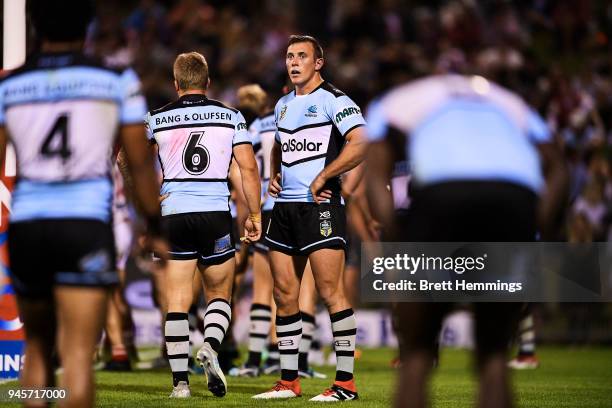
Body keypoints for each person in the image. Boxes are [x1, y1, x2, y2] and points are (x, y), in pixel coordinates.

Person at [365, 74, 568, 408]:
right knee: (493, 355)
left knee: (416, 352)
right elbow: (559, 168)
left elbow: (375, 174)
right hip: (513, 196)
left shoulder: (396, 99)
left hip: (442, 192)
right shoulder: (507, 99)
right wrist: (540, 234)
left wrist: (399, 242)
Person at [0, 1, 166, 407]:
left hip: (29, 223)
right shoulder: (115, 80)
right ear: (87, 27)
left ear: (34, 26)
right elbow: (141, 169)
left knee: (37, 351)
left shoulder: (9, 86)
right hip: (85, 223)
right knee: (76, 354)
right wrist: (156, 226)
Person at [252, 35, 366, 401]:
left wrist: (324, 176)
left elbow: (362, 142)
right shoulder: (283, 105)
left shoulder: (335, 99)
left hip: (321, 206)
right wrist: (274, 172)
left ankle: (345, 383)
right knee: (284, 293)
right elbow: (281, 147)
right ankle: (289, 381)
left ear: (319, 62)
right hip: (283, 208)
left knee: (331, 292)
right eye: (289, 56)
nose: (294, 62)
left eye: (302, 56)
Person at [145, 51, 261, 398]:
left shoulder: (156, 118)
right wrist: (254, 215)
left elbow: (124, 159)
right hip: (214, 211)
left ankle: (180, 384)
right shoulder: (231, 116)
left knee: (177, 300)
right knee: (219, 295)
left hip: (173, 212)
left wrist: (150, 201)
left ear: (176, 83)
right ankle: (210, 344)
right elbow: (248, 169)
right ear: (208, 83)